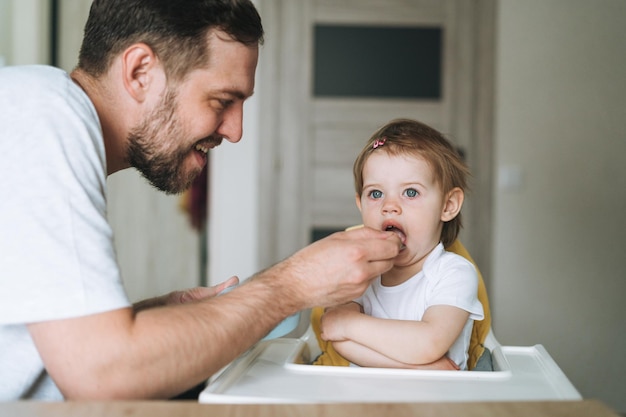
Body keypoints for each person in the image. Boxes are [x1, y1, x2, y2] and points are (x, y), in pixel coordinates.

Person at [0, 0, 402, 401]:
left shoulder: (34, 112)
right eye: (222, 101)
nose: (235, 130)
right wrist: (292, 285)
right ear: (140, 72)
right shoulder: (46, 121)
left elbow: (61, 350)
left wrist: (145, 322)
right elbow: (100, 374)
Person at [318, 118, 484, 370]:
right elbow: (337, 339)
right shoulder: (359, 271)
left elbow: (429, 342)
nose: (389, 206)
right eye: (376, 193)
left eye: (410, 192)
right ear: (360, 204)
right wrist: (425, 370)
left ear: (448, 205)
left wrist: (347, 323)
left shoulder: (453, 273)